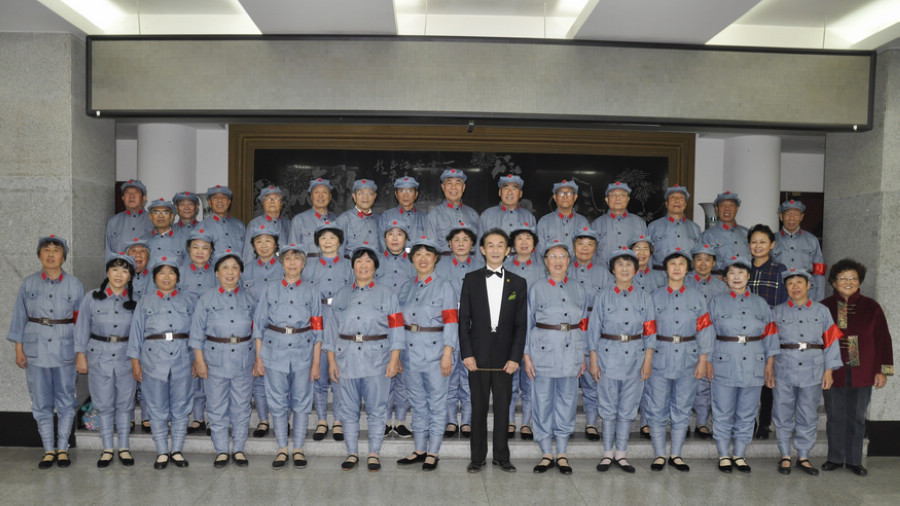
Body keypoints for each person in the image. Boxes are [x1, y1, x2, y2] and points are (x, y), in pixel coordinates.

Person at [325, 246, 404, 472]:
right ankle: (352, 452)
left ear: (375, 266)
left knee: (377, 409)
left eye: (368, 261)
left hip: (377, 358)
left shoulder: (387, 294)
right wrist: (331, 361)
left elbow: (397, 329)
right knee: (348, 409)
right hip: (346, 358)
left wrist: (394, 359)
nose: (363, 265)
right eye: (359, 261)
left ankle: (373, 453)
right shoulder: (341, 294)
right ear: (353, 266)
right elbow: (330, 331)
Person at [8, 235, 84, 469]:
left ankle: (63, 449)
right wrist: (19, 349)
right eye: (46, 250)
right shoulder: (29, 283)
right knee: (40, 400)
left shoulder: (74, 284)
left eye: (56, 250)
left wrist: (81, 352)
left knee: (66, 400)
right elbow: (19, 317)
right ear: (39, 255)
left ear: (64, 256)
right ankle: (48, 450)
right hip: (36, 349)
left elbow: (81, 321)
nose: (51, 254)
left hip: (65, 348)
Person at [458, 228, 528, 473]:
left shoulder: (518, 283)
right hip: (476, 355)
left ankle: (501, 456)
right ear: (482, 250)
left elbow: (521, 325)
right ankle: (477, 458)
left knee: (502, 409)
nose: (495, 249)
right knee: (477, 409)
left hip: (505, 358)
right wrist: (467, 353)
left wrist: (515, 358)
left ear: (508, 250)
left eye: (500, 245)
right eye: (490, 245)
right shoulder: (471, 279)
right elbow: (463, 321)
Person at [253, 243, 324, 469]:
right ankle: (282, 448)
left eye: (297, 259)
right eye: (287, 259)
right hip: (274, 350)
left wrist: (316, 362)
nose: (292, 263)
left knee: (302, 400)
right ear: (281, 263)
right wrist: (259, 358)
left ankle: (298, 449)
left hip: (304, 350)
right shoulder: (270, 289)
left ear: (303, 264)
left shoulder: (312, 290)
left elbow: (318, 329)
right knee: (277, 400)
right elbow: (259, 325)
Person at [821, 259, 894, 476]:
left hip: (863, 370)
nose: (848, 282)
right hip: (833, 370)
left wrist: (882, 371)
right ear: (833, 282)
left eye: (853, 278)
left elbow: (883, 340)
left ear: (859, 281)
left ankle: (854, 460)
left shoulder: (872, 307)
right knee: (835, 416)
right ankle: (835, 457)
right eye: (842, 278)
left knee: (857, 416)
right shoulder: (825, 307)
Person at [707, 254, 779, 474]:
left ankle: (739, 454)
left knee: (747, 412)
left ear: (748, 276)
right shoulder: (716, 302)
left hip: (754, 363)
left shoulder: (761, 303)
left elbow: (770, 334)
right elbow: (707, 333)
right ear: (725, 278)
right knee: (722, 410)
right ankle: (723, 455)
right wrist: (707, 360)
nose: (736, 277)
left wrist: (770, 363)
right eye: (732, 273)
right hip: (724, 361)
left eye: (741, 273)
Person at [588, 246, 655, 474]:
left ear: (636, 270)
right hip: (608, 355)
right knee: (608, 407)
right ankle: (607, 453)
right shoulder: (603, 296)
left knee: (628, 407)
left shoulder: (645, 297)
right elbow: (594, 330)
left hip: (636, 356)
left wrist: (648, 360)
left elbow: (650, 331)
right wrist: (593, 359)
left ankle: (622, 454)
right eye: (620, 265)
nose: (624, 269)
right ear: (612, 269)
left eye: (629, 265)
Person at [523, 239, 588, 475]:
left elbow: (583, 324)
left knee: (567, 400)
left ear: (569, 261)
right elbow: (527, 322)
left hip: (571, 350)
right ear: (545, 261)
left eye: (562, 257)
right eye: (553, 256)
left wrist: (583, 354)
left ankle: (561, 452)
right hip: (543, 351)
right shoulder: (536, 288)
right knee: (542, 400)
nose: (558, 261)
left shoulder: (578, 288)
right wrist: (526, 354)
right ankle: (546, 452)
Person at [646, 246, 713, 472]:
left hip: (689, 358)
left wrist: (703, 359)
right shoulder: (653, 297)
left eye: (681, 264)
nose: (677, 268)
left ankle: (676, 454)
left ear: (687, 269)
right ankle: (659, 454)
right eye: (672, 264)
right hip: (660, 357)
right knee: (657, 407)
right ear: (666, 268)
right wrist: (647, 359)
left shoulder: (697, 297)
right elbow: (648, 330)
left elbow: (704, 330)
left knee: (682, 407)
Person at [127, 255, 197, 470]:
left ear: (177, 276)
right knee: (156, 406)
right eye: (162, 273)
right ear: (155, 277)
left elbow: (197, 332)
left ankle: (176, 450)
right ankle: (161, 451)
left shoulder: (189, 300)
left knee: (181, 406)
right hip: (153, 359)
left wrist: (197, 358)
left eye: (171, 272)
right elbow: (136, 332)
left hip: (183, 357)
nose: (167, 277)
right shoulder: (144, 301)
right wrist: (135, 362)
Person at [772, 268, 843, 476]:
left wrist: (829, 370)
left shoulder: (822, 311)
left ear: (809, 285)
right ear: (785, 287)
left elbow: (831, 342)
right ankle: (785, 455)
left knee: (808, 413)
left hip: (813, 368)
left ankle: (803, 455)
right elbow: (770, 342)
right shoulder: (777, 312)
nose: (795, 287)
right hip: (784, 367)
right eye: (790, 283)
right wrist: (768, 367)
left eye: (799, 282)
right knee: (782, 412)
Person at [396, 236, 458, 471]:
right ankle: (420, 449)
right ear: (412, 259)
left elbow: (451, 322)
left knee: (437, 403)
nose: (423, 259)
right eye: (418, 254)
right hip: (410, 353)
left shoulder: (445, 286)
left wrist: (447, 353)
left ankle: (433, 452)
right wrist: (398, 354)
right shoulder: (406, 288)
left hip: (435, 353)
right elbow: (398, 324)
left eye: (428, 254)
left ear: (435, 259)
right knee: (418, 403)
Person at [190, 249, 257, 468]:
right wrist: (199, 361)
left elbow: (257, 332)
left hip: (243, 359)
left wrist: (258, 359)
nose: (230, 272)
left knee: (241, 406)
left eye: (235, 268)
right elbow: (196, 334)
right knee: (216, 406)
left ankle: (238, 448)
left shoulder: (249, 299)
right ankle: (221, 450)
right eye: (225, 268)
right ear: (217, 273)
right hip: (214, 360)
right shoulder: (206, 299)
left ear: (240, 272)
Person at [74, 254, 138, 468]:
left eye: (125, 270)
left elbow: (140, 333)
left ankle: (125, 448)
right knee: (103, 404)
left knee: (125, 404)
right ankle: (107, 448)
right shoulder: (92, 298)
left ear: (130, 276)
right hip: (98, 356)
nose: (119, 274)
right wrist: (80, 354)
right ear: (107, 272)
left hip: (125, 357)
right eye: (115, 269)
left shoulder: (136, 300)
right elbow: (82, 326)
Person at [303, 221, 353, 442]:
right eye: (323, 238)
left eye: (332, 237)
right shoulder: (309, 266)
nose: (328, 242)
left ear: (340, 242)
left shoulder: (349, 265)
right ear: (318, 242)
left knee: (339, 374)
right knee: (320, 373)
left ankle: (339, 420)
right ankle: (322, 420)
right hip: (318, 319)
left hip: (342, 321)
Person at [435, 222, 484, 438]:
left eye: (466, 240)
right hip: (447, 325)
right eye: (456, 240)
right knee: (448, 374)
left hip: (474, 327)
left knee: (470, 375)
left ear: (472, 244)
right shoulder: (439, 266)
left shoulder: (482, 267)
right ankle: (449, 420)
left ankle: (467, 421)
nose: (461, 244)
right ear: (449, 244)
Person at [566, 227, 611, 441]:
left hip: (595, 332)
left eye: (590, 244)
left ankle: (591, 423)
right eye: (580, 244)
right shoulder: (564, 269)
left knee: (593, 381)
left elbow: (609, 306)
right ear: (574, 247)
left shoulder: (604, 274)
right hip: (569, 333)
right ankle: (566, 423)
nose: (585, 248)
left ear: (595, 248)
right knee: (567, 383)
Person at [241, 224, 283, 439]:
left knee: (279, 376)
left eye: (268, 240)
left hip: (278, 330)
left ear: (276, 244)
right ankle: (263, 419)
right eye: (258, 241)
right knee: (258, 374)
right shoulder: (245, 270)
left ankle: (281, 419)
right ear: (253, 245)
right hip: (252, 330)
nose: (263, 245)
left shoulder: (285, 267)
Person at [503, 225, 545, 441]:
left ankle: (526, 422)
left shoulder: (542, 269)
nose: (524, 242)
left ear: (534, 244)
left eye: (528, 238)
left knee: (530, 378)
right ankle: (509, 420)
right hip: (509, 329)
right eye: (519, 238)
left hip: (535, 329)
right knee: (509, 378)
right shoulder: (504, 267)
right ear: (513, 244)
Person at [747, 223, 788, 440]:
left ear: (772, 245)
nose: (758, 246)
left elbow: (783, 302)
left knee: (768, 378)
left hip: (770, 330)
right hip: (747, 332)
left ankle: (764, 422)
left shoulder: (779, 270)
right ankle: (749, 420)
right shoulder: (744, 268)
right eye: (754, 242)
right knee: (749, 377)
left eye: (763, 242)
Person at [685, 242, 727, 439]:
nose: (703, 263)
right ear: (693, 262)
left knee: (705, 383)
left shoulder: (721, 286)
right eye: (699, 259)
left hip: (712, 339)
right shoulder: (683, 281)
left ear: (714, 263)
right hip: (686, 338)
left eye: (707, 260)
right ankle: (683, 421)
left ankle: (702, 422)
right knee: (685, 382)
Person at [177, 228, 216, 436]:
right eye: (196, 247)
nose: (200, 252)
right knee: (191, 375)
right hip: (185, 330)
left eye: (205, 248)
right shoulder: (178, 272)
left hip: (212, 332)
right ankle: (198, 417)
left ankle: (213, 418)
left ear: (211, 251)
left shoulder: (218, 271)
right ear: (188, 250)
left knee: (212, 375)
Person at [377, 221, 414, 437]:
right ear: (384, 238)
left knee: (403, 374)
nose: (394, 238)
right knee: (384, 372)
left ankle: (399, 420)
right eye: (390, 234)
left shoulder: (414, 262)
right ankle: (383, 420)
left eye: (399, 234)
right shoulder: (375, 261)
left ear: (405, 239)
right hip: (381, 324)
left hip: (407, 324)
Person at [772, 199, 826, 301]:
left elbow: (819, 273)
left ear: (801, 217)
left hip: (807, 295)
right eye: (788, 214)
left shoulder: (812, 240)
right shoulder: (771, 240)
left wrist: (819, 300)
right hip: (779, 295)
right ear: (781, 216)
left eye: (796, 214)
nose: (792, 218)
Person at [425, 169, 481, 254]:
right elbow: (430, 250)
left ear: (463, 187)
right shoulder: (433, 215)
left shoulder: (474, 215)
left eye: (458, 183)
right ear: (443, 187)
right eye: (449, 183)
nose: (453, 187)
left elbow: (480, 246)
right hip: (444, 260)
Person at [591, 181, 649, 262]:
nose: (618, 198)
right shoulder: (596, 224)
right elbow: (590, 253)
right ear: (607, 200)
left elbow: (647, 252)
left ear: (628, 199)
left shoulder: (639, 223)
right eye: (613, 195)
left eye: (622, 195)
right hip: (604, 269)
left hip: (631, 269)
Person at [647, 185, 702, 268]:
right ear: (666, 204)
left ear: (685, 204)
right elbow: (647, 255)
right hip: (660, 273)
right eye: (673, 197)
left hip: (687, 274)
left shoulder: (695, 228)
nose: (677, 200)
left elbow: (699, 256)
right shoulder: (653, 226)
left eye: (681, 197)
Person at [289, 178, 338, 254]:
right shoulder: (299, 220)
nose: (320, 196)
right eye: (316, 192)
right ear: (311, 197)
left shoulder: (338, 220)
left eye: (324, 192)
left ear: (330, 197)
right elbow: (293, 251)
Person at [106, 179, 153, 258]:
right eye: (127, 192)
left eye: (136, 192)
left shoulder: (153, 220)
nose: (131, 196)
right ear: (123, 197)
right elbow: (108, 253)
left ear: (144, 198)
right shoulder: (113, 222)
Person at [700, 191, 750, 264]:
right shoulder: (707, 235)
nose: (727, 208)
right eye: (723, 205)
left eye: (731, 205)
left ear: (737, 208)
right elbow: (703, 262)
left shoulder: (747, 233)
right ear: (716, 209)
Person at [243, 185, 290, 262]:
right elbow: (249, 254)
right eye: (268, 198)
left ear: (281, 203)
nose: (272, 201)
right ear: (262, 203)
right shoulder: (254, 224)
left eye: (276, 198)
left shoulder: (288, 224)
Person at [536, 179, 589, 246]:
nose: (565, 196)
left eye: (569, 193)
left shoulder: (583, 222)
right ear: (555, 197)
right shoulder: (544, 222)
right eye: (561, 193)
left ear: (575, 197)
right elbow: (540, 249)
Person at [335, 179, 382, 255]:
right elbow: (338, 251)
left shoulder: (379, 219)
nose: (365, 197)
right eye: (360, 193)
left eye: (369, 193)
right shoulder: (344, 220)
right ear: (354, 196)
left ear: (374, 196)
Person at [199, 185, 245, 253]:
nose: (220, 201)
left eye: (223, 198)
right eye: (215, 198)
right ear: (209, 203)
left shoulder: (239, 225)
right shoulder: (202, 226)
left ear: (229, 202)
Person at [379, 176, 426, 242]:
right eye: (402, 191)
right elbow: (382, 242)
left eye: (410, 191)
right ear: (396, 194)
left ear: (416, 194)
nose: (406, 195)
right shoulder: (386, 217)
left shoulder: (425, 218)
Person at [145, 198, 185, 263]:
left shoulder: (184, 240)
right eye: (156, 212)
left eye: (165, 212)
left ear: (171, 216)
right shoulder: (143, 241)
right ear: (150, 216)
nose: (161, 216)